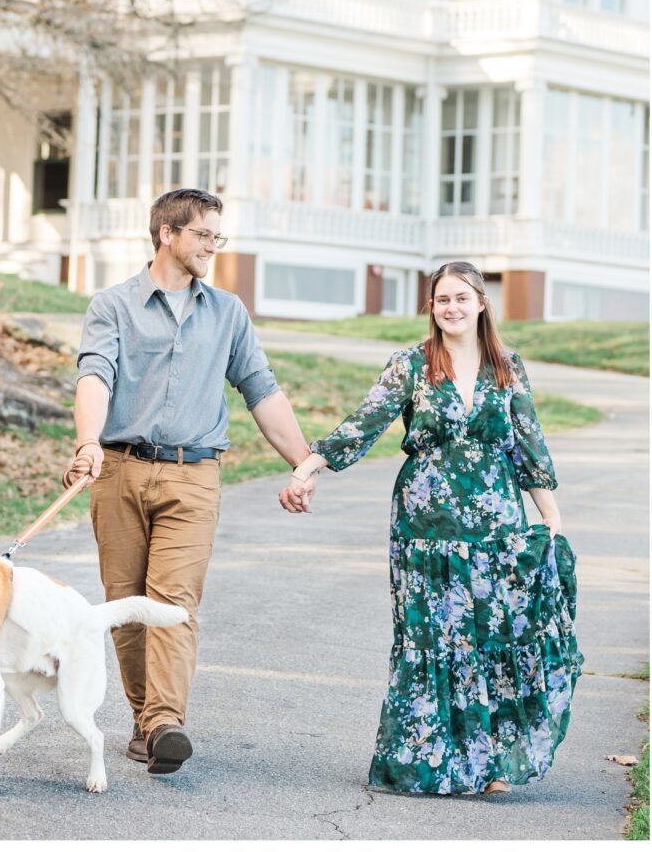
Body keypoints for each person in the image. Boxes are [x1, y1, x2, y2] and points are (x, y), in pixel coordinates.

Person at [282, 261, 577, 795]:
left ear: (481, 303)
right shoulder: (411, 365)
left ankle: (486, 766)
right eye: (443, 299)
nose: (452, 308)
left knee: (488, 637)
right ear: (432, 307)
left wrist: (550, 515)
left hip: (497, 524)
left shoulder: (508, 367)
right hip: (424, 525)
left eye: (462, 298)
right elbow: (362, 424)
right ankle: (425, 761)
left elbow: (529, 444)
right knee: (430, 637)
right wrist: (307, 467)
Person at [61, 186, 313, 775]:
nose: (213, 247)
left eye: (217, 237)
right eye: (204, 235)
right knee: (126, 605)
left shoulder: (228, 312)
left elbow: (261, 389)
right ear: (167, 233)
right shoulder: (113, 305)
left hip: (193, 474)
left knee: (173, 602)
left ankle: (166, 722)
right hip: (119, 467)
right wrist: (88, 442)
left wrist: (302, 462)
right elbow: (95, 375)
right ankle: (144, 721)